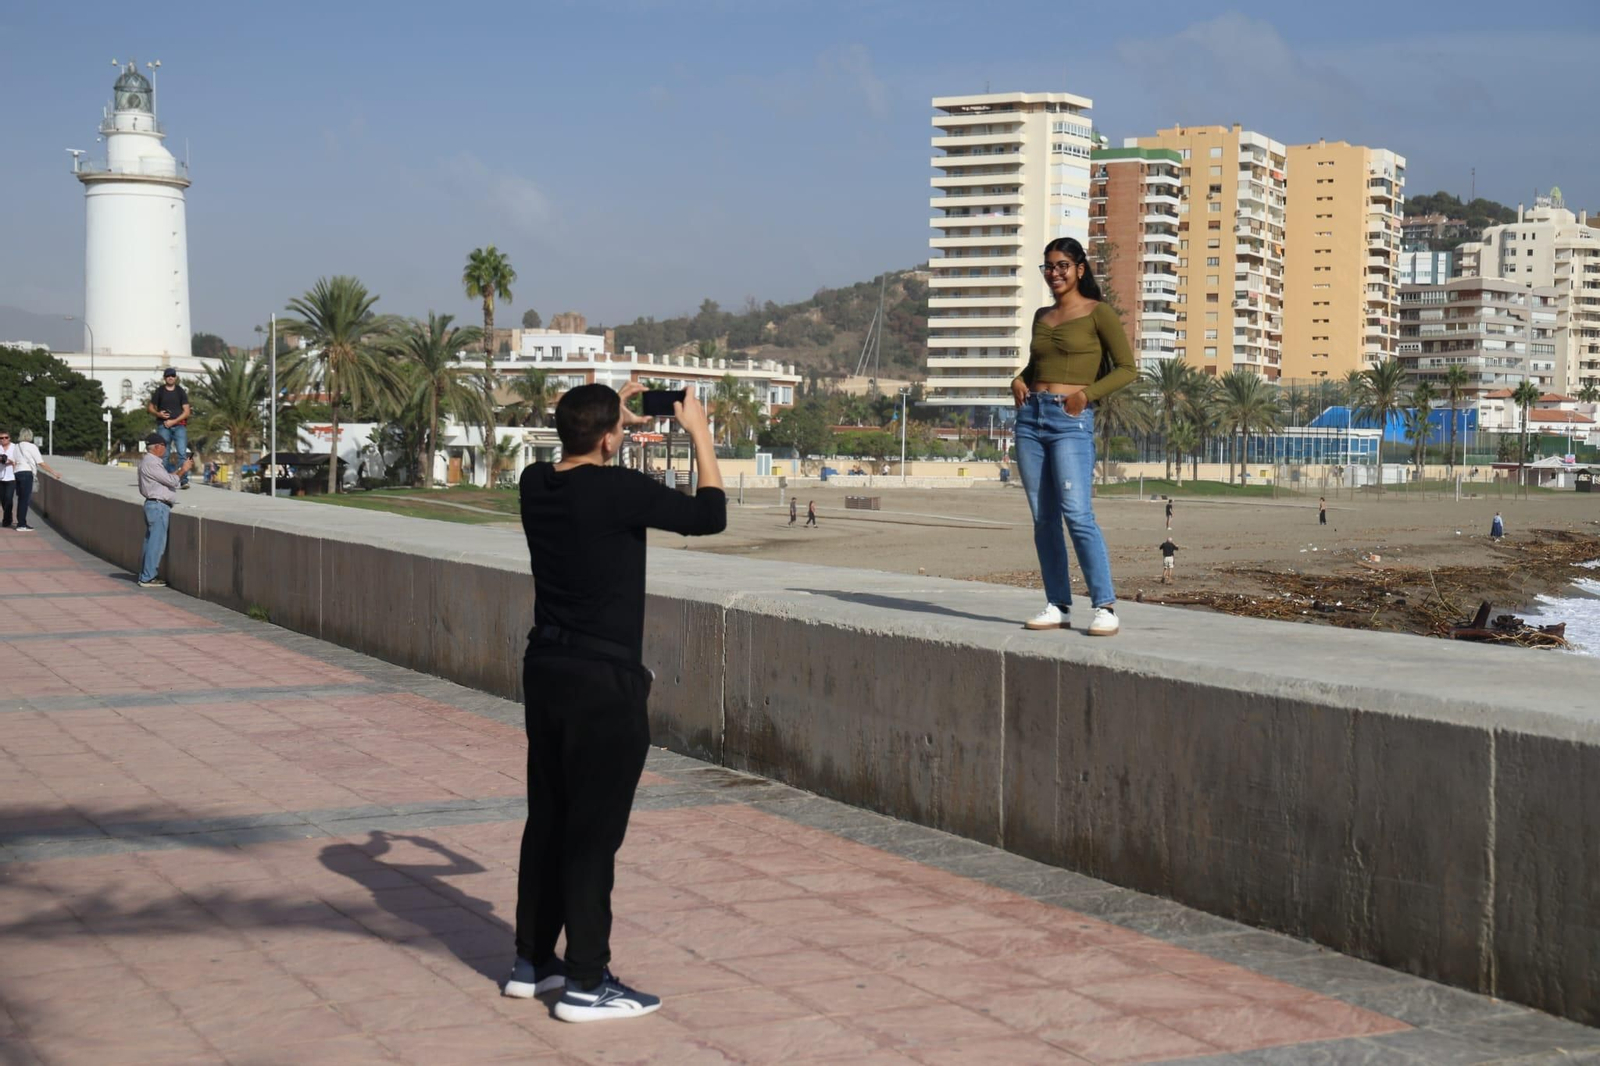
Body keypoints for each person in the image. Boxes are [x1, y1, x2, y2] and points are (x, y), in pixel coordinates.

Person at [508, 382, 725, 1022]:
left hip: (545, 670)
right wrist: (700, 436)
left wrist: (610, 420)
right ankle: (585, 982)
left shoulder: (533, 484)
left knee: (548, 817)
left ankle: (533, 961)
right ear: (610, 437)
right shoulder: (620, 491)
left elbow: (577, 461)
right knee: (593, 834)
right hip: (603, 681)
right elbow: (709, 515)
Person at [1011, 237, 1138, 636]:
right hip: (1031, 419)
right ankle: (1058, 604)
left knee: (1078, 515)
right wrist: (1019, 379)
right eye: (1048, 266)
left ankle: (1105, 606)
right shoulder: (1041, 316)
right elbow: (1037, 365)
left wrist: (1086, 395)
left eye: (1062, 265)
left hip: (1070, 421)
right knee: (1043, 518)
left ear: (1080, 269)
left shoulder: (1099, 314)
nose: (1054, 273)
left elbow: (1126, 368)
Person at [137, 433, 191, 587]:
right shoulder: (152, 463)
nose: (166, 450)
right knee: (156, 544)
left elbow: (165, 479)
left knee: (150, 543)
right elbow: (171, 481)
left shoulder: (147, 462)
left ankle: (145, 575)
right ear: (158, 447)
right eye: (164, 446)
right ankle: (148, 577)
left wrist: (180, 471)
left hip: (153, 505)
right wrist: (184, 470)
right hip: (158, 506)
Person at [4, 429, 58, 532]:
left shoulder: (16, 447)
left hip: (18, 473)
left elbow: (13, 461)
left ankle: (21, 522)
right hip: (26, 473)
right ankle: (21, 524)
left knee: (21, 499)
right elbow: (41, 463)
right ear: (30, 436)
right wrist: (53, 472)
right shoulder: (32, 447)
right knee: (25, 500)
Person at [148, 368, 192, 489]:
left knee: (182, 453)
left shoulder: (180, 391)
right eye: (168, 376)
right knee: (163, 454)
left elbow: (187, 411)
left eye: (173, 375)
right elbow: (150, 407)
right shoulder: (160, 391)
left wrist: (174, 421)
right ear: (164, 378)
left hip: (179, 426)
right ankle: (164, 480)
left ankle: (183, 480)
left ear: (176, 377)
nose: (170, 377)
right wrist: (158, 414)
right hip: (163, 426)